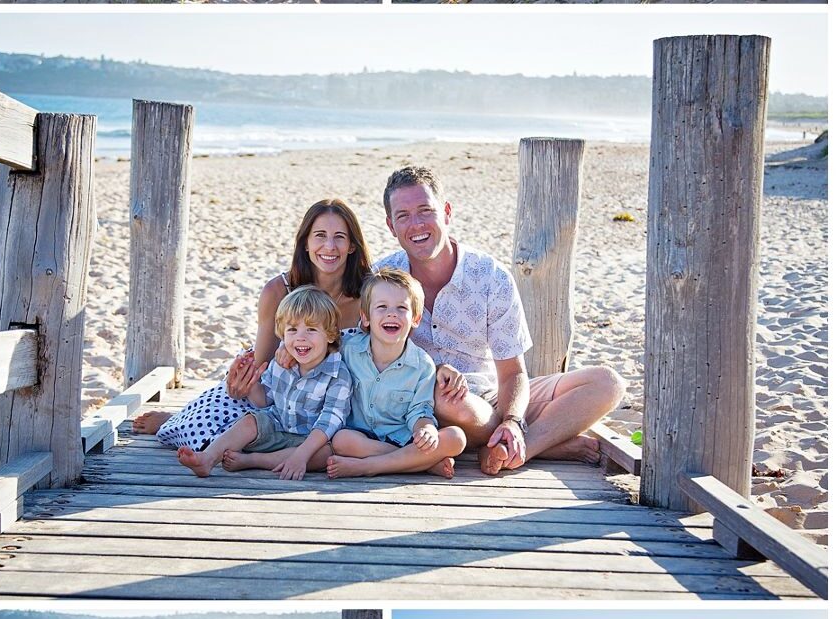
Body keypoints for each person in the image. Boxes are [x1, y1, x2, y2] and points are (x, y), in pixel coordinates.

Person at [376, 166, 626, 475]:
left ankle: (519, 447)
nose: (416, 224)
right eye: (403, 215)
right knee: (446, 400)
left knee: (607, 383)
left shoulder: (490, 276)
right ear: (390, 225)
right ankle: (538, 443)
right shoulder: (381, 279)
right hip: (427, 408)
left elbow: (512, 373)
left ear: (447, 212)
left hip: (493, 397)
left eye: (426, 210)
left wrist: (513, 420)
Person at [132, 198, 370, 451]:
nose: (329, 246)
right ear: (306, 243)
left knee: (340, 445)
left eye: (340, 237)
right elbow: (262, 363)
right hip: (280, 397)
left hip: (338, 399)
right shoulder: (279, 290)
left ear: (353, 246)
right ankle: (177, 418)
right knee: (205, 437)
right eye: (320, 235)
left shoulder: (369, 293)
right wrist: (246, 380)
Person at [177, 286, 352, 481]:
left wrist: (301, 454)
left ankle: (254, 460)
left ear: (329, 335)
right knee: (250, 421)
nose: (300, 337)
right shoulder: (282, 363)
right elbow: (264, 401)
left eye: (311, 329)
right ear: (282, 334)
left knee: (327, 454)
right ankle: (207, 458)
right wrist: (250, 382)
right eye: (292, 329)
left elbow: (330, 421)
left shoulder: (338, 375)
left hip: (311, 440)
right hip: (278, 427)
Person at [323, 268, 466, 479]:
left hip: (403, 437)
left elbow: (421, 411)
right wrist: (285, 352)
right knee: (341, 440)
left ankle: (368, 467)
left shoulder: (422, 365)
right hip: (360, 438)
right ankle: (421, 462)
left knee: (456, 437)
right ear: (365, 317)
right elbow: (317, 350)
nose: (392, 314)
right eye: (381, 307)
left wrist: (425, 430)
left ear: (415, 318)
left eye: (401, 308)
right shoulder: (348, 349)